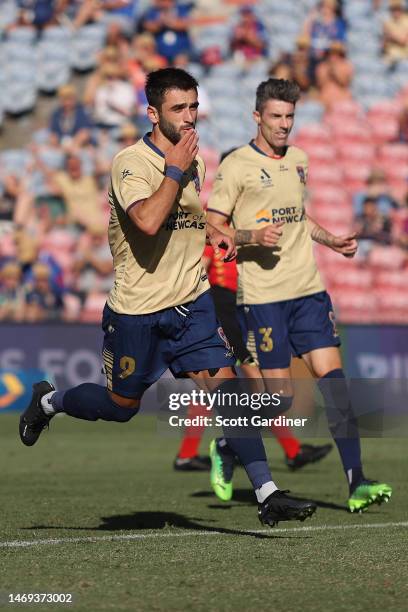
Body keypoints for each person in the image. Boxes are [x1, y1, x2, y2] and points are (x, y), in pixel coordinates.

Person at [18, 68, 316, 528]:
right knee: (121, 408)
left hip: (192, 303)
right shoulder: (131, 163)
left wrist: (228, 233)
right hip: (137, 311)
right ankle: (48, 402)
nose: (190, 116)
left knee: (229, 392)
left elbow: (192, 218)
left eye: (194, 106)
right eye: (179, 108)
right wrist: (176, 166)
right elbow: (150, 221)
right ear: (153, 113)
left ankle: (266, 491)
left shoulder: (191, 160)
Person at [207, 78, 392, 513]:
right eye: (275, 116)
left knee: (337, 385)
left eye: (289, 116)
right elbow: (213, 226)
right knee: (281, 399)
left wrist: (330, 241)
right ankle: (227, 443)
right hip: (264, 298)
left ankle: (357, 482)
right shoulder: (236, 166)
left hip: (308, 291)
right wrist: (251, 234)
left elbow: (298, 217)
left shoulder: (300, 160)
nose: (284, 125)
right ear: (257, 117)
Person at [174, 238, 332, 472]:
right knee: (251, 383)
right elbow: (200, 271)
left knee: (221, 388)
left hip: (235, 308)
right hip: (220, 309)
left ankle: (189, 454)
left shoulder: (237, 230)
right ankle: (289, 450)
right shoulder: (216, 230)